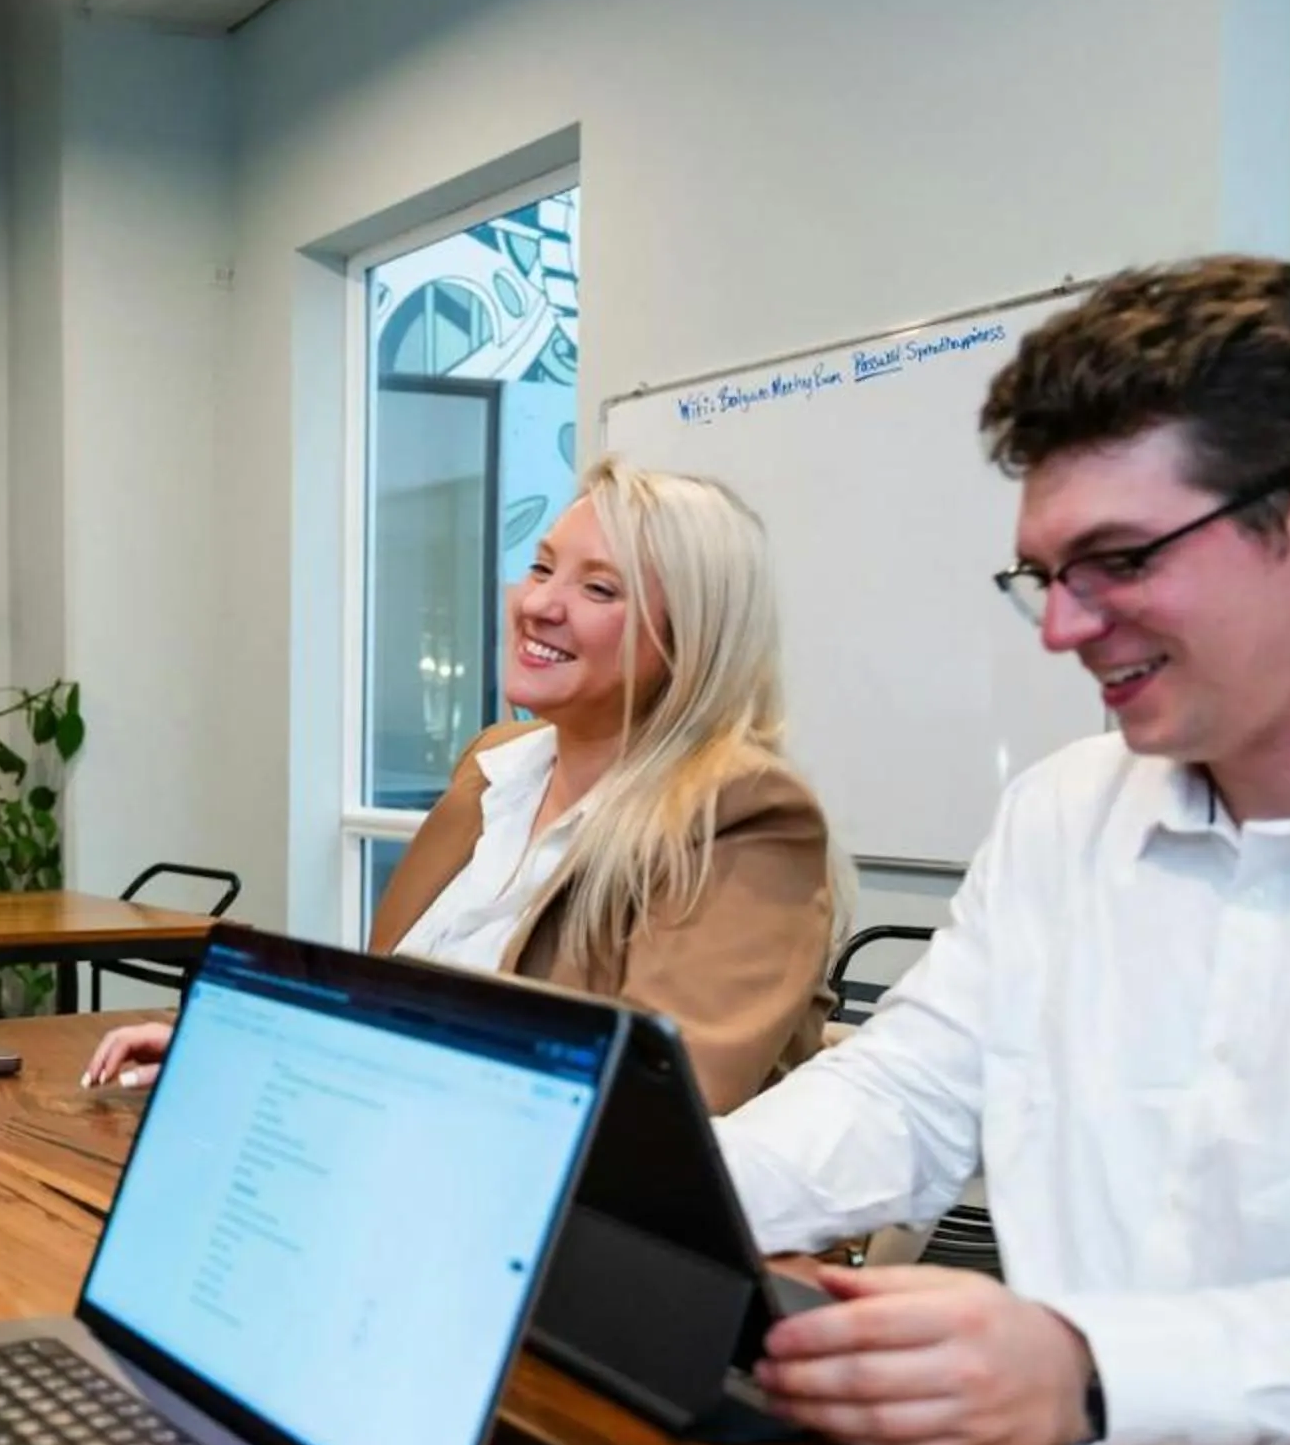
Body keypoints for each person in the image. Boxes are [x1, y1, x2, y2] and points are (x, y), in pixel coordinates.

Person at [726, 256, 1290, 1445]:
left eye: (1120, 560)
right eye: (1046, 576)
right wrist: (657, 1187)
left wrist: (1092, 1366)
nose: (1064, 628)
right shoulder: (1065, 814)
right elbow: (905, 1093)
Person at [86, 459, 845, 1113]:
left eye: (600, 589)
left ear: (691, 642)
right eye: (543, 567)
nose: (540, 603)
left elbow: (643, 1113)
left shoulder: (739, 815)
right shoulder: (498, 767)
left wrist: (301, 1074)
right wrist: (244, 1052)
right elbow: (390, 1006)